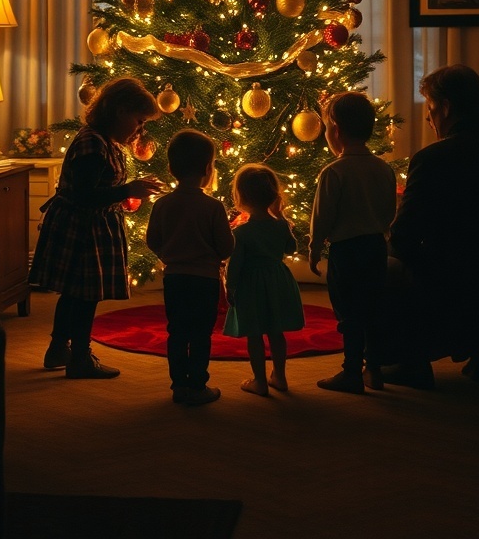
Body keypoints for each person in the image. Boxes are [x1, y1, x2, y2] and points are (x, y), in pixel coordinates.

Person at [384, 64, 479, 389]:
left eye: (430, 109)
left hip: (451, 277)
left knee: (384, 266)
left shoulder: (432, 159)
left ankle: (411, 360)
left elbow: (405, 234)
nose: (429, 119)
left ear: (446, 108)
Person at [29, 76, 162, 379]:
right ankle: (79, 358)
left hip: (89, 226)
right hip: (82, 229)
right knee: (85, 296)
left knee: (74, 294)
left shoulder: (104, 141)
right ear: (120, 110)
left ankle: (58, 349)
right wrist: (126, 191)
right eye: (138, 121)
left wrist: (125, 193)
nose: (139, 130)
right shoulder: (92, 143)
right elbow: (85, 195)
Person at [309, 93, 397, 394]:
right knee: (372, 307)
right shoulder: (383, 169)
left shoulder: (334, 172)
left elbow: (322, 216)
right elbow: (389, 211)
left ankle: (351, 372)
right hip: (374, 247)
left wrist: (314, 247)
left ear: (336, 129)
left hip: (346, 252)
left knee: (348, 311)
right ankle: (373, 368)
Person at [145, 129, 234, 405]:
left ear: (171, 168)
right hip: (204, 280)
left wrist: (169, 255)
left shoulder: (162, 205)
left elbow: (152, 240)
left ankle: (178, 386)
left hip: (174, 279)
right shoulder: (213, 207)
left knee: (177, 331)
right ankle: (197, 384)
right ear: (209, 169)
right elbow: (226, 247)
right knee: (200, 334)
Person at [223, 164, 304, 397]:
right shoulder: (279, 225)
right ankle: (280, 376)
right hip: (277, 280)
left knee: (255, 332)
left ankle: (259, 380)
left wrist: (230, 287)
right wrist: (282, 219)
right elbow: (291, 248)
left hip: (251, 283)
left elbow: (235, 264)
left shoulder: (241, 233)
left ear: (241, 196)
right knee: (276, 330)